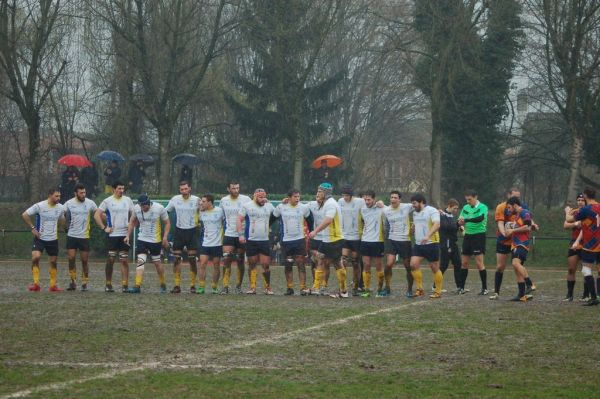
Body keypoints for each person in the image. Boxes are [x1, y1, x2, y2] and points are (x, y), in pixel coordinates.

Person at [489, 188, 536, 300]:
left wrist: (533, 224)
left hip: (517, 241)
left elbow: (528, 220)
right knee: (500, 266)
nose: (517, 199)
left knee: (517, 266)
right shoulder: (501, 207)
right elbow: (500, 223)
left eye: (518, 197)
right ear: (508, 195)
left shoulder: (522, 209)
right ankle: (496, 292)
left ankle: (522, 293)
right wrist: (504, 233)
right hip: (504, 239)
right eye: (515, 196)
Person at [22, 188, 66, 292]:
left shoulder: (60, 207)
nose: (58, 198)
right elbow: (25, 215)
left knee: (53, 262)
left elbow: (62, 218)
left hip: (53, 239)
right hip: (40, 238)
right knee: (36, 257)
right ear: (50, 195)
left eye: (59, 196)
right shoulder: (40, 206)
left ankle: (53, 286)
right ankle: (36, 284)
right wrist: (33, 228)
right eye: (56, 196)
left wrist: (62, 225)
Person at [124, 195, 170, 293]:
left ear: (148, 203)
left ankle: (163, 284)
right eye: (140, 206)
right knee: (140, 261)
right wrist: (128, 235)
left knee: (157, 263)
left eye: (143, 206)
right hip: (142, 239)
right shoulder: (136, 209)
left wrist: (165, 237)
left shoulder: (159, 208)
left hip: (155, 240)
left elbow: (167, 223)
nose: (142, 208)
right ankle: (137, 286)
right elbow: (132, 222)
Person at [308, 183, 347, 298]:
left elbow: (328, 220)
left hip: (333, 239)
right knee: (330, 262)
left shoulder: (330, 204)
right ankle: (342, 290)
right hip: (330, 239)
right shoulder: (328, 203)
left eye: (319, 191)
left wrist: (315, 231)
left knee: (327, 262)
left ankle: (319, 288)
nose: (317, 194)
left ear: (325, 193)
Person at [94, 180, 134, 292]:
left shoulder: (128, 200)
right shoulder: (107, 201)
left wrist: (130, 227)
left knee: (124, 260)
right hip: (112, 235)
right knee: (110, 259)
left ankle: (125, 285)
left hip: (124, 235)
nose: (121, 191)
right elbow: (97, 215)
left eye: (123, 188)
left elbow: (133, 215)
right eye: (119, 188)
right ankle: (108, 284)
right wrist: (104, 227)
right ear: (113, 189)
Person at [273, 189, 312, 295]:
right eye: (295, 197)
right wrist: (274, 236)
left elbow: (310, 221)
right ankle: (289, 288)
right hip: (286, 241)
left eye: (298, 196)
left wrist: (311, 233)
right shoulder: (281, 207)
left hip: (299, 240)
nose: (297, 199)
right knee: (288, 264)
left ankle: (303, 288)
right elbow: (273, 217)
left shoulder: (303, 207)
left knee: (301, 264)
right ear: (289, 197)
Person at [566, 188, 600, 306]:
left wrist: (567, 212)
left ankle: (593, 297)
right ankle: (596, 296)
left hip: (590, 243)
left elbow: (569, 220)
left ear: (585, 196)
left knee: (586, 270)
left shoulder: (586, 209)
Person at [238, 188, 276, 294]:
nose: (263, 199)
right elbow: (239, 219)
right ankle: (252, 287)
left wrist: (284, 203)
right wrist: (240, 235)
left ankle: (268, 287)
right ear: (254, 196)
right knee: (252, 264)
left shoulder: (269, 206)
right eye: (260, 197)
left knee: (266, 265)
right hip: (251, 239)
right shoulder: (247, 206)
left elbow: (277, 214)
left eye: (264, 196)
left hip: (264, 240)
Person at [165, 181, 200, 294]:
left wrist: (200, 221)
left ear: (189, 188)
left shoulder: (196, 200)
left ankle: (193, 285)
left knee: (192, 259)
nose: (184, 191)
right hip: (179, 231)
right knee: (176, 259)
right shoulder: (175, 199)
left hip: (192, 231)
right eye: (182, 189)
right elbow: (166, 211)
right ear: (179, 190)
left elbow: (204, 210)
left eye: (186, 189)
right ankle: (177, 285)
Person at [64, 183, 98, 291]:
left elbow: (98, 213)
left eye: (84, 192)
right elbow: (61, 214)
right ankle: (73, 281)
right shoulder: (69, 203)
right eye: (81, 193)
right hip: (72, 236)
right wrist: (65, 225)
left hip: (84, 236)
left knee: (84, 260)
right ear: (76, 193)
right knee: (71, 258)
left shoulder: (90, 203)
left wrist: (106, 221)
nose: (83, 195)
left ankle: (84, 282)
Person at [220, 181, 252, 294]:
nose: (236, 190)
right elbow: (221, 215)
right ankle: (225, 286)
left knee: (240, 260)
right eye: (233, 188)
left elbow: (254, 208)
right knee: (226, 259)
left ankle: (238, 286)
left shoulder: (246, 199)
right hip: (229, 234)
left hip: (241, 235)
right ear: (228, 189)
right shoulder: (223, 201)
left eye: (237, 188)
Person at [409, 194, 442, 299]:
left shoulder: (432, 211)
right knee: (413, 264)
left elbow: (437, 224)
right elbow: (416, 225)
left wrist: (427, 236)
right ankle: (420, 289)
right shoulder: (415, 213)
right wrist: (413, 229)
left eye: (414, 203)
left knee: (434, 268)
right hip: (419, 244)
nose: (413, 206)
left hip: (431, 243)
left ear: (421, 202)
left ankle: (438, 291)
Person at [383, 190, 414, 297]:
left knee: (407, 266)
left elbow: (420, 206)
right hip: (392, 240)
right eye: (391, 197)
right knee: (388, 264)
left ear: (399, 199)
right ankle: (387, 287)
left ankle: (409, 290)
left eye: (395, 197)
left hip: (405, 241)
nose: (393, 199)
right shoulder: (386, 210)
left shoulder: (407, 207)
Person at [457, 189, 488, 295]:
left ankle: (484, 288)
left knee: (479, 263)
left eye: (470, 199)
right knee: (464, 263)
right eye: (466, 200)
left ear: (476, 197)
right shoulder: (465, 208)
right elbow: (460, 221)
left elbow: (480, 218)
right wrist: (461, 225)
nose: (468, 202)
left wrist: (466, 220)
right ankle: (461, 287)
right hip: (468, 236)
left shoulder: (483, 207)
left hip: (478, 236)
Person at [504, 197, 535, 302]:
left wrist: (512, 230)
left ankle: (530, 284)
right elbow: (530, 225)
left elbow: (527, 226)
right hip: (515, 244)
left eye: (509, 207)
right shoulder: (517, 216)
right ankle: (521, 295)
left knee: (515, 263)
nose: (508, 210)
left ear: (515, 205)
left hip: (522, 244)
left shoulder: (524, 212)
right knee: (517, 269)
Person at [357, 190, 385, 298]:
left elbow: (391, 210)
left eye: (369, 199)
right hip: (365, 241)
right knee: (366, 265)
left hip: (378, 241)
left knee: (378, 266)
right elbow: (361, 223)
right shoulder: (362, 209)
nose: (367, 201)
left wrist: (382, 203)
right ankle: (366, 289)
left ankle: (380, 289)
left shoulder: (381, 208)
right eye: (365, 199)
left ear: (374, 199)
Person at [338, 184, 365, 296]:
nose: (345, 197)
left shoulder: (360, 202)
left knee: (355, 262)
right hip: (344, 236)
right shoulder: (340, 202)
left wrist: (379, 204)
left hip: (356, 237)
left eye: (347, 195)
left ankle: (356, 285)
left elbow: (370, 205)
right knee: (343, 261)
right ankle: (343, 286)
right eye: (344, 195)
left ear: (351, 195)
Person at [197, 194, 225, 294]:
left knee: (216, 265)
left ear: (210, 202)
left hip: (217, 243)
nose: (201, 203)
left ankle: (214, 286)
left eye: (204, 201)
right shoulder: (201, 212)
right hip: (205, 243)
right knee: (202, 264)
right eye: (201, 201)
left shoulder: (220, 211)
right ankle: (201, 286)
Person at [562, 193, 587, 301]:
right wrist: (575, 224)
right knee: (571, 269)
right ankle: (569, 295)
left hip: (586, 242)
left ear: (586, 201)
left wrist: (577, 223)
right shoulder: (574, 212)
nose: (580, 202)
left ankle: (586, 295)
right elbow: (565, 225)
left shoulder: (588, 211)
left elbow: (584, 225)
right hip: (574, 242)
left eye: (582, 200)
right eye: (578, 200)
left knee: (586, 270)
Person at [438, 198, 462, 292]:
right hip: (446, 243)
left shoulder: (451, 216)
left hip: (453, 243)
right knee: (444, 265)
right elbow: (445, 227)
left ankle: (459, 287)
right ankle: (435, 285)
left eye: (457, 209)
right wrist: (456, 224)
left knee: (458, 263)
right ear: (449, 206)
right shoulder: (442, 215)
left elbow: (452, 229)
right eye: (455, 208)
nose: (456, 210)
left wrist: (458, 226)